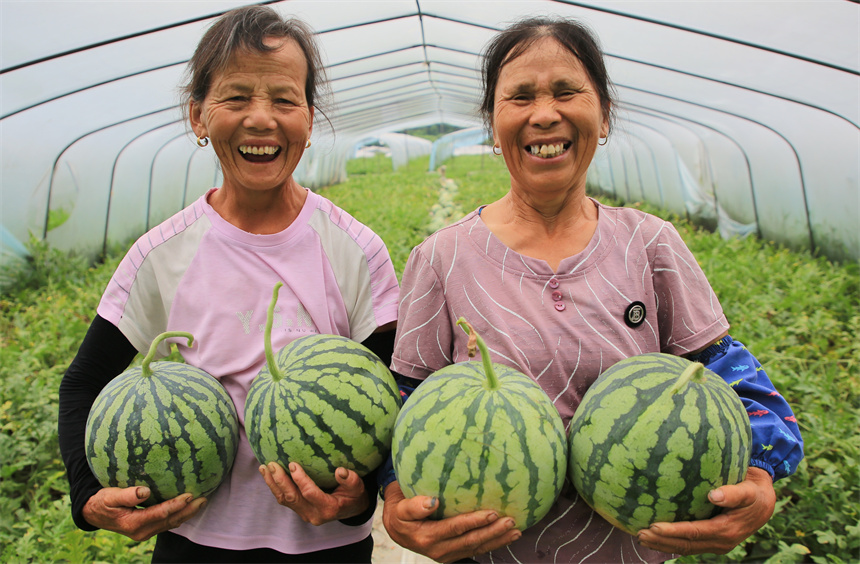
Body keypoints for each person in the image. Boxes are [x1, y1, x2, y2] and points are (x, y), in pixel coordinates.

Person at [380, 16, 803, 563]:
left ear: (602, 114)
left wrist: (760, 480)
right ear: (493, 124)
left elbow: (741, 388)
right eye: (520, 97)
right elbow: (406, 405)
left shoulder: (650, 245)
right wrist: (394, 497)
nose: (545, 114)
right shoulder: (440, 259)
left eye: (566, 92)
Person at [58, 6, 400, 563]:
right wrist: (87, 497)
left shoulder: (355, 249)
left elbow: (393, 394)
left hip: (328, 548)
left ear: (310, 120)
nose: (261, 119)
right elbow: (81, 385)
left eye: (284, 100)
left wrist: (359, 500)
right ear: (198, 116)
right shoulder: (162, 254)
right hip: (194, 545)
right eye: (236, 98)